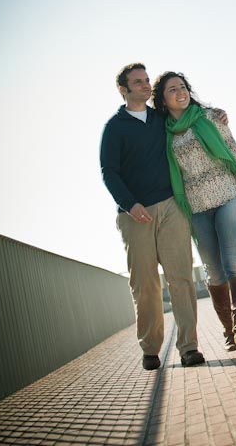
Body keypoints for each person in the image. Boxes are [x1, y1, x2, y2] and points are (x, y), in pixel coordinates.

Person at [100, 63, 208, 370]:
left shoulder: (161, 119)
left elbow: (191, 115)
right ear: (124, 90)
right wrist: (130, 204)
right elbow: (109, 172)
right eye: (138, 82)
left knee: (182, 278)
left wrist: (219, 115)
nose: (147, 85)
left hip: (171, 206)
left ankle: (189, 347)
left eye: (148, 80)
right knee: (145, 284)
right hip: (135, 214)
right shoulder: (115, 127)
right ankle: (150, 349)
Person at [152, 71, 236, 355]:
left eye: (183, 87)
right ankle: (228, 332)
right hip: (196, 208)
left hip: (228, 195)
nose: (180, 92)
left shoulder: (210, 117)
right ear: (163, 100)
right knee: (214, 271)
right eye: (172, 89)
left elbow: (233, 150)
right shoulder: (162, 133)